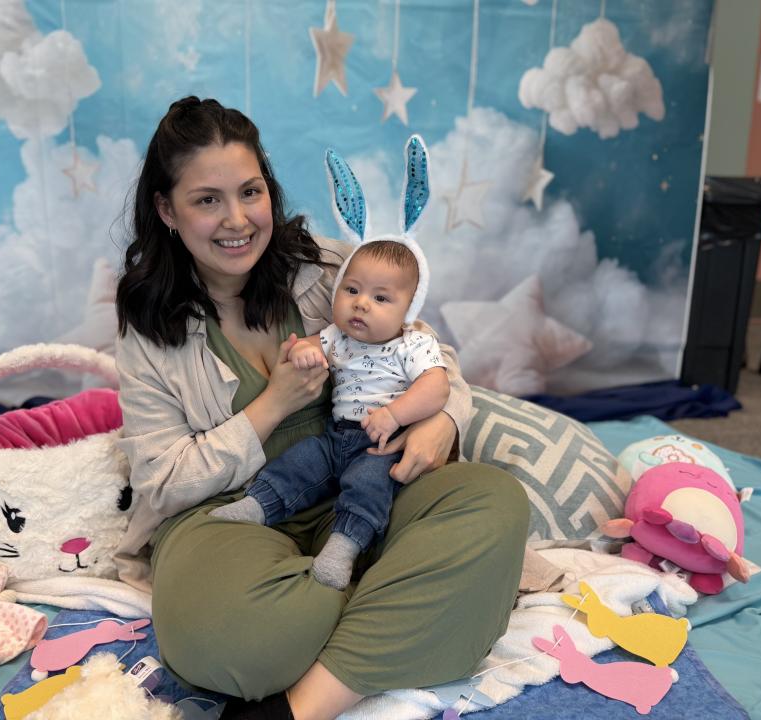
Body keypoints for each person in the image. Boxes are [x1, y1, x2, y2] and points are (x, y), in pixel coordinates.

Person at [113, 96, 529, 720]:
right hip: (233, 517)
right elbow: (164, 481)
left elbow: (431, 360)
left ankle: (300, 706)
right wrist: (273, 405)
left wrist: (442, 421)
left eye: (250, 192)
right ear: (167, 210)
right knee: (217, 639)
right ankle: (402, 603)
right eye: (207, 200)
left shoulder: (330, 267)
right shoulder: (150, 327)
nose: (237, 220)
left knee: (495, 503)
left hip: (368, 487)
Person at [211, 220, 450, 591]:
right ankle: (258, 506)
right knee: (301, 461)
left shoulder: (412, 345)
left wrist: (394, 414)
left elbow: (436, 388)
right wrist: (302, 353)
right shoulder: (338, 336)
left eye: (381, 298)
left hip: (384, 443)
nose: (361, 304)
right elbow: (306, 344)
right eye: (352, 290)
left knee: (368, 484)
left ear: (408, 309)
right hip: (336, 437)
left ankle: (344, 546)